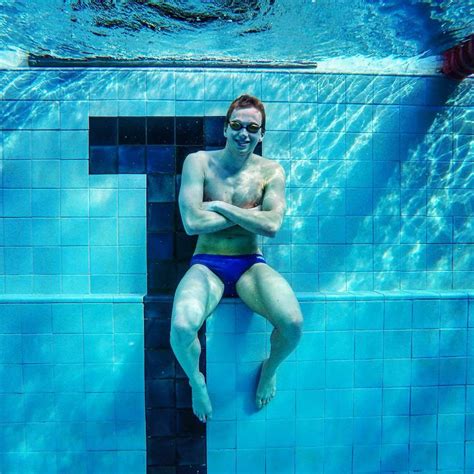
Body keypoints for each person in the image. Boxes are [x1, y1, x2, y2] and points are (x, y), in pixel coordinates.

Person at [170, 94, 303, 423]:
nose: (244, 133)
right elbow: (191, 224)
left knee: (294, 325)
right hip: (206, 265)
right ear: (226, 129)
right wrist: (250, 213)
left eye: (252, 128)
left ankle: (269, 369)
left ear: (261, 134)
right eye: (237, 126)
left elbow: (272, 226)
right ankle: (196, 380)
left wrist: (220, 206)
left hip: (249, 265)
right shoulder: (199, 162)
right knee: (181, 327)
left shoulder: (270, 170)